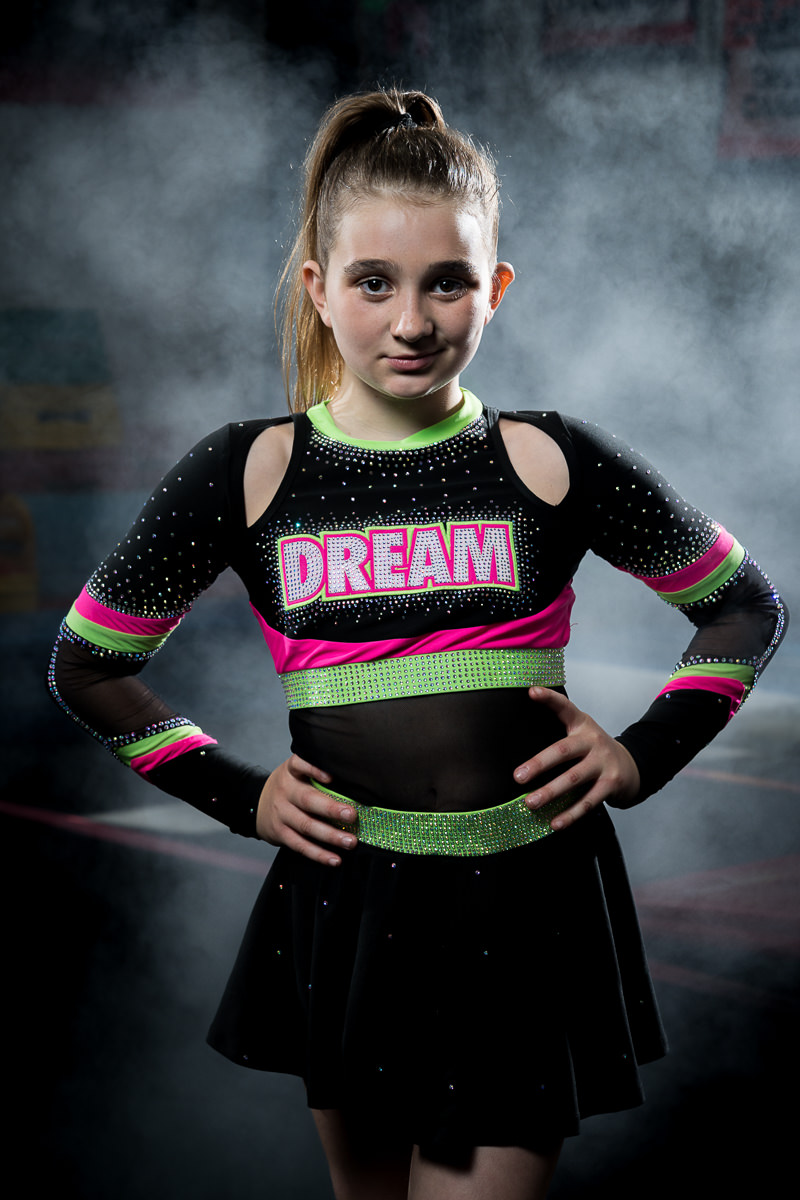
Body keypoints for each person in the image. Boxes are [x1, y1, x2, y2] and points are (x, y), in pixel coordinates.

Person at [49, 88, 787, 1199]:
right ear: (318, 289)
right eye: (372, 282)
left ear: (493, 288)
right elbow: (88, 663)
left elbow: (744, 605)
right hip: (351, 904)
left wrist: (641, 755)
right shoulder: (248, 471)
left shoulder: (549, 458)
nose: (411, 320)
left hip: (526, 898)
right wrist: (239, 794)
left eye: (446, 282)